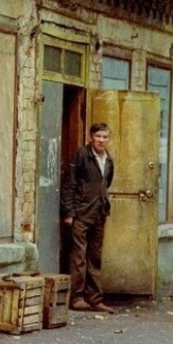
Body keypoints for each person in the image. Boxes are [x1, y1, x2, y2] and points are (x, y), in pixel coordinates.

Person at [60, 122, 116, 313]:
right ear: (91, 137)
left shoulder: (108, 160)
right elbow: (69, 183)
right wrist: (69, 213)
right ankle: (77, 298)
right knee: (78, 257)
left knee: (95, 258)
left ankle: (95, 299)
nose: (101, 140)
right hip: (81, 214)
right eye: (98, 136)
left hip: (99, 213)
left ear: (109, 138)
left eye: (105, 137)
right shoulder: (82, 155)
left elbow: (105, 184)